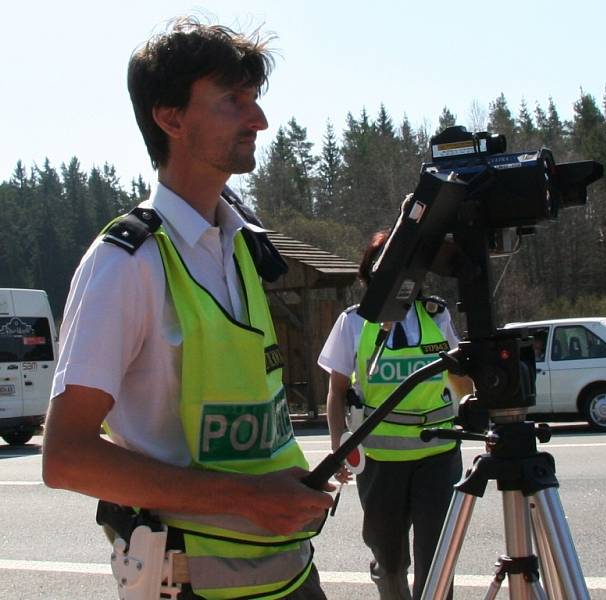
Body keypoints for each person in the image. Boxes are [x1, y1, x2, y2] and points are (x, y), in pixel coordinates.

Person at [41, 17, 334, 600]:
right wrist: (251, 498)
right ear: (171, 118)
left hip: (291, 573)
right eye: (233, 100)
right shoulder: (123, 264)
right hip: (191, 585)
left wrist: (287, 485)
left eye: (254, 99)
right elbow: (65, 457)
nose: (259, 120)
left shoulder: (245, 248)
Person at [318, 230, 474, 600]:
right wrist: (339, 448)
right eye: (383, 266)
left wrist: (474, 402)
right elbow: (336, 392)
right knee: (389, 557)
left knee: (437, 558)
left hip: (438, 456)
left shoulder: (436, 315)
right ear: (370, 273)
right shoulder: (353, 322)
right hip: (380, 463)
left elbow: (458, 378)